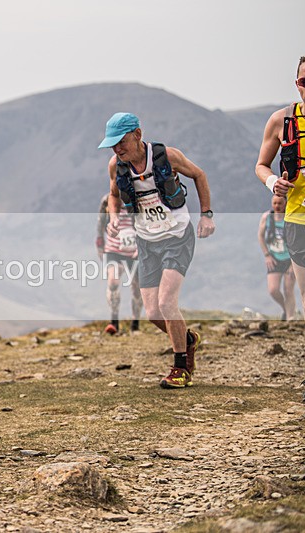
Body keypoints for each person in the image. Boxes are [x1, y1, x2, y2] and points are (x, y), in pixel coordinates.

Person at [99, 112, 215, 389]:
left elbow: (199, 174)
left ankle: (180, 367)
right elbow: (114, 195)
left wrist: (206, 215)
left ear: (137, 134)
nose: (117, 148)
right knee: (152, 312)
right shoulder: (116, 165)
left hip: (177, 236)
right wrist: (115, 218)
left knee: (166, 302)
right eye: (112, 144)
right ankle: (188, 340)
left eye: (121, 141)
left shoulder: (167, 156)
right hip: (146, 241)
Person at [255, 56, 305, 324]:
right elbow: (261, 165)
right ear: (297, 84)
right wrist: (275, 183)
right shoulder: (281, 120)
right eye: (304, 81)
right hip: (297, 220)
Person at [96, 193, 142, 335]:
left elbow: (147, 225)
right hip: (113, 249)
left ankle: (135, 323)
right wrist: (100, 246)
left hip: (134, 250)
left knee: (137, 288)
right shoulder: (106, 200)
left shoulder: (138, 197)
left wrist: (142, 247)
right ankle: (114, 321)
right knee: (113, 282)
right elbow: (100, 224)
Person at [258, 209, 297, 320]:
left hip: (289, 259)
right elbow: (260, 236)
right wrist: (267, 255)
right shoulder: (267, 217)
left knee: (288, 289)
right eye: (274, 203)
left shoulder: (291, 218)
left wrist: (293, 263)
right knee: (273, 290)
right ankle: (286, 309)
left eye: (279, 203)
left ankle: (291, 318)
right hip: (274, 258)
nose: (277, 206)